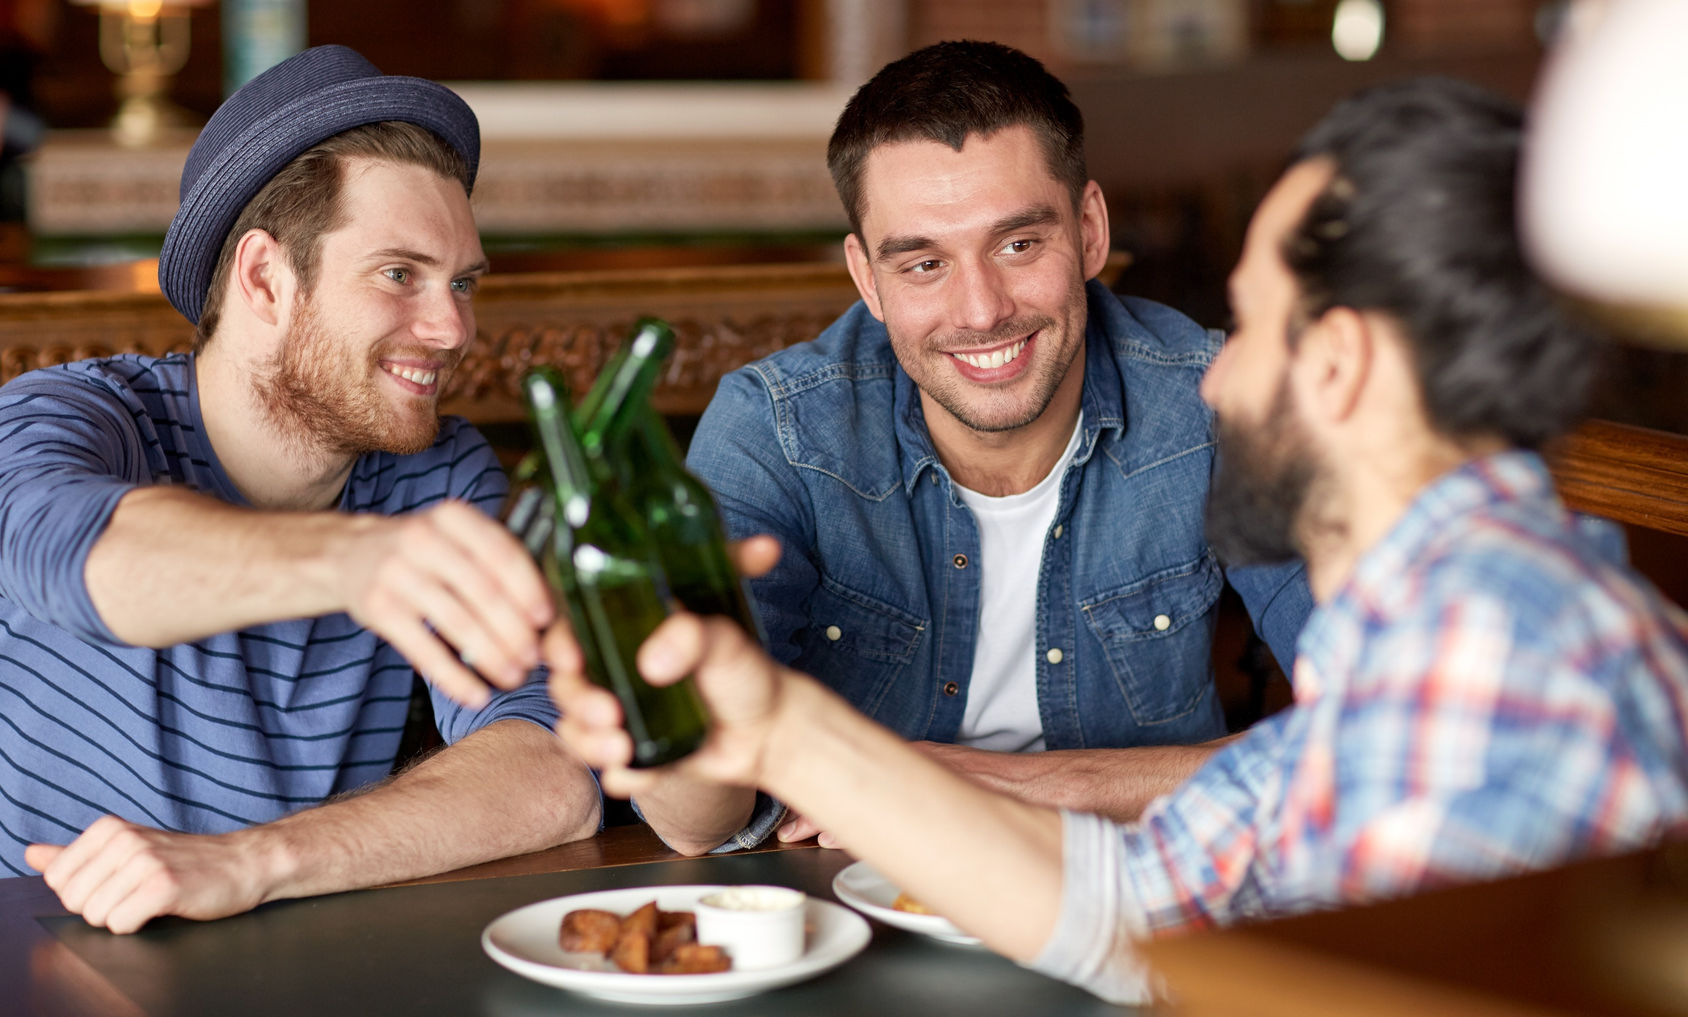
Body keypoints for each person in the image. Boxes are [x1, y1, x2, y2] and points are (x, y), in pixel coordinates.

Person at [551, 77, 1688, 1002]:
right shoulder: (1436, 631)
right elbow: (1126, 903)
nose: (1217, 378)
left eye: (1247, 328)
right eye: (921, 262)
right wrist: (774, 728)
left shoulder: (1491, 656)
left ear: (1335, 367)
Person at [654, 40, 1312, 852]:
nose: (980, 309)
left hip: (1145, 902)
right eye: (924, 262)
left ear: (1090, 228)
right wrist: (684, 696)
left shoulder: (1214, 399)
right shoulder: (776, 429)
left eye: (1018, 245)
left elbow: (1376, 739)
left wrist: (1031, 786)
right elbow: (691, 828)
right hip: (847, 915)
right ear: (867, 278)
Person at [1, 46, 599, 934]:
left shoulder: (439, 475)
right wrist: (361, 562)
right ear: (264, 278)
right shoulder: (71, 415)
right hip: (46, 948)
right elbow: (81, 559)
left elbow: (556, 772)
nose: (450, 328)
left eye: (462, 283)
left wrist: (254, 860)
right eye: (400, 274)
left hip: (296, 949)